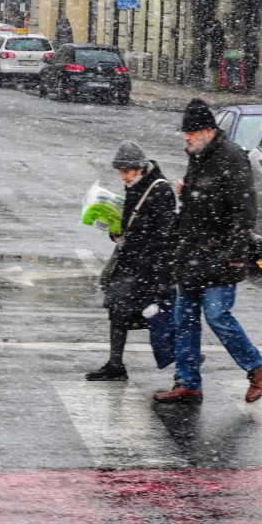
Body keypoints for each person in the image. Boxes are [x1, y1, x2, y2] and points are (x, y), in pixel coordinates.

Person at [154, 99, 262, 405]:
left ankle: (257, 366)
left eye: (191, 132)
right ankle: (188, 383)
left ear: (208, 130)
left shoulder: (232, 157)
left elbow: (244, 210)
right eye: (185, 133)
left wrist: (234, 253)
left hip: (219, 254)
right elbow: (197, 203)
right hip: (192, 253)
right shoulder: (198, 155)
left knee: (217, 315)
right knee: (184, 319)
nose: (186, 137)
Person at [86, 142, 178, 382]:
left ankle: (186, 361)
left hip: (149, 268)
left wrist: (159, 276)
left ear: (139, 167)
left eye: (127, 171)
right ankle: (115, 364)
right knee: (118, 311)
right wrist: (116, 234)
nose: (123, 177)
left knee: (157, 318)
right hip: (131, 264)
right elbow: (131, 223)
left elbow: (164, 237)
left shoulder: (160, 190)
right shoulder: (135, 185)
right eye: (121, 171)